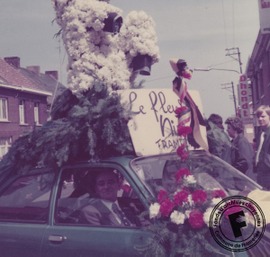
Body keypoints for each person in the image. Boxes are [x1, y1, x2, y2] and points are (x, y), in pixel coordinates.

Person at [254, 105, 270, 190]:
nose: (260, 119)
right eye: (258, 117)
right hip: (261, 175)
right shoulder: (260, 134)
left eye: (263, 116)